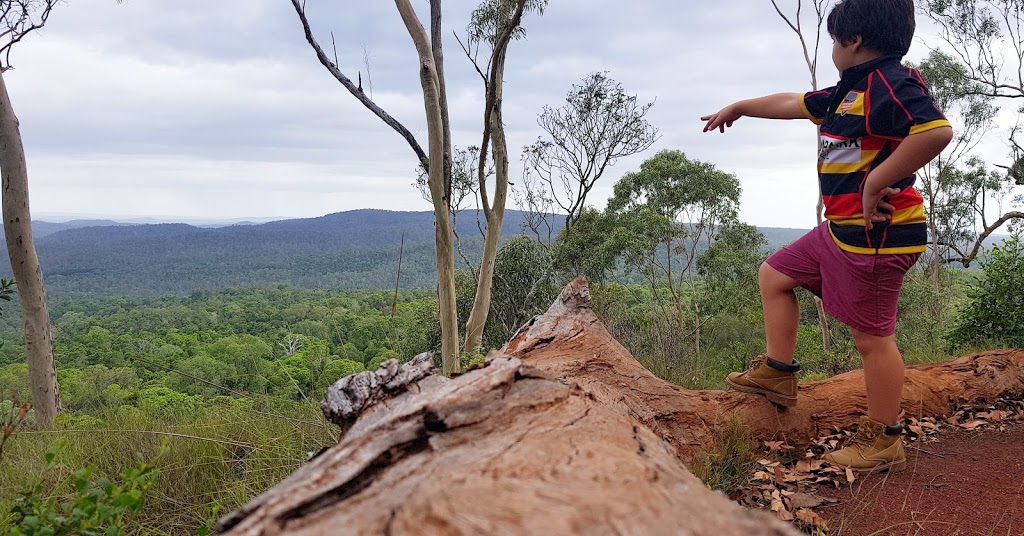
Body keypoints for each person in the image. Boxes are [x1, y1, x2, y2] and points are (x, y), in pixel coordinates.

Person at [700, 0, 952, 473]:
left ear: (853, 41)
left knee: (873, 340)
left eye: (834, 40)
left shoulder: (893, 83)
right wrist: (739, 108)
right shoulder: (846, 91)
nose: (832, 48)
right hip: (840, 231)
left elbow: (936, 131)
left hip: (879, 235)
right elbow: (791, 103)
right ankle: (778, 374)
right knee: (775, 274)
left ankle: (884, 439)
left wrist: (877, 181)